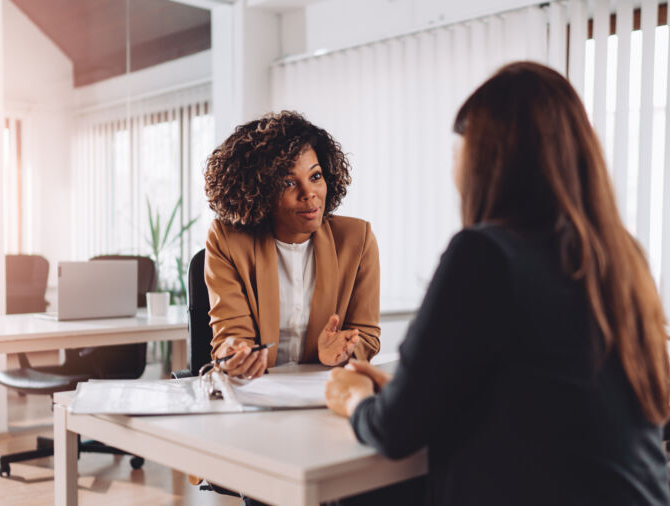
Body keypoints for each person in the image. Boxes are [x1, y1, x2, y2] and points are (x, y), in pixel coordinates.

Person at [325, 61, 670, 506]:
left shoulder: (484, 254)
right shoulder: (620, 255)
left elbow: (394, 431)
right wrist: (405, 393)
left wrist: (355, 400)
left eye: (458, 151)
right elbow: (547, 400)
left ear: (488, 159)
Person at [203, 110, 381, 379]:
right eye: (288, 182)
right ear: (259, 192)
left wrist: (344, 350)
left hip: (322, 394)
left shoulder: (357, 239)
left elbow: (366, 335)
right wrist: (235, 352)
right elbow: (230, 333)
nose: (308, 193)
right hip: (256, 392)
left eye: (315, 176)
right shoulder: (228, 240)